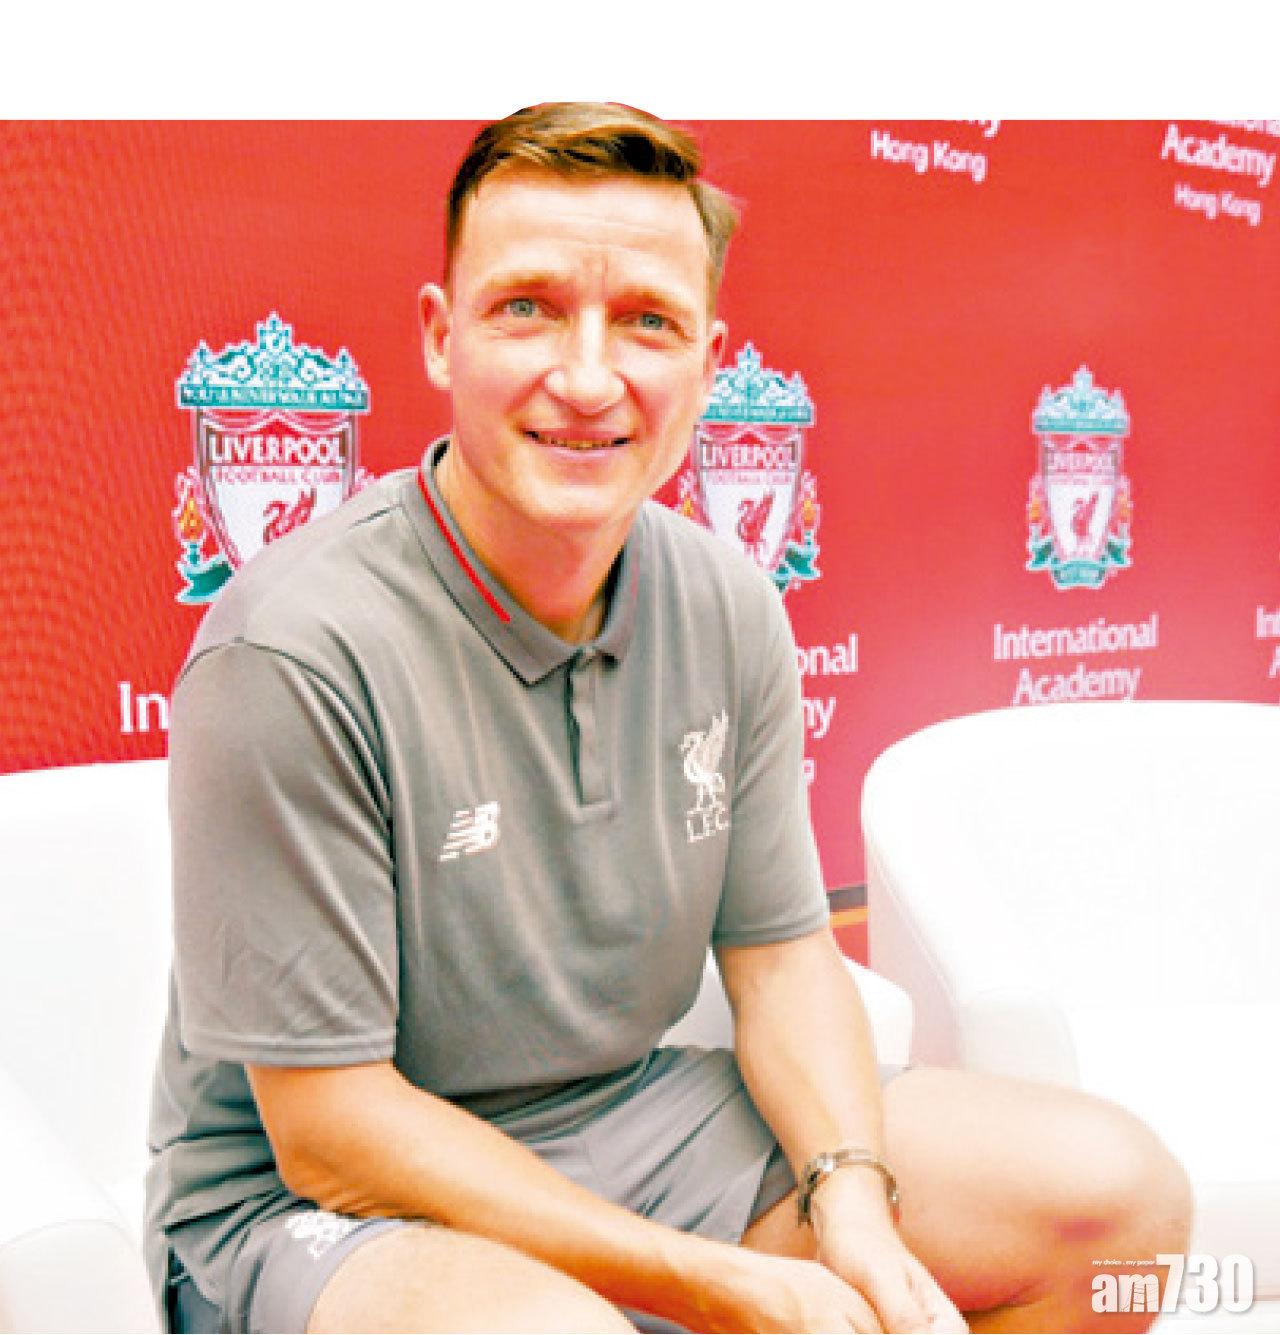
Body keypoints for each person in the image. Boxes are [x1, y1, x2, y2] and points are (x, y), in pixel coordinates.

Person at [145, 103, 1192, 1334]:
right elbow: (330, 1129)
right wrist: (710, 1279)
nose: (588, 378)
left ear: (706, 359)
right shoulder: (291, 650)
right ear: (439, 336)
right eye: (526, 307)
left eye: (647, 321)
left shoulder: (727, 601)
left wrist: (852, 1201)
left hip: (633, 1116)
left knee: (1111, 1202)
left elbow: (781, 959)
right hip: (316, 1207)